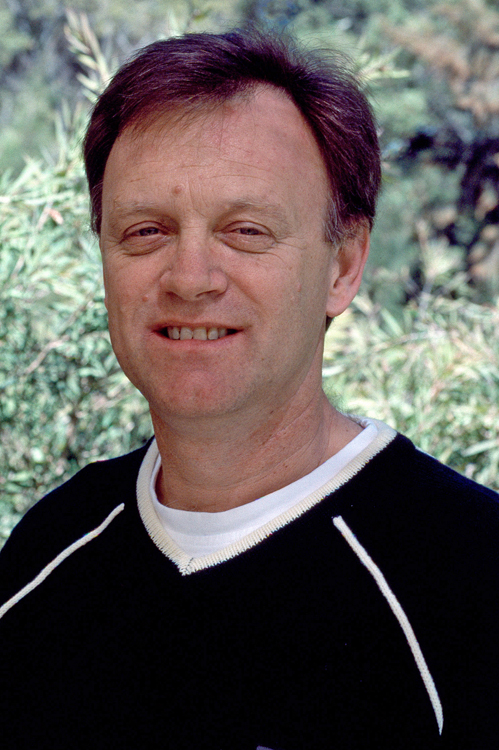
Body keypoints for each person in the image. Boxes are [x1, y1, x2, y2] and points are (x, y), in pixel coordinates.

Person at [1, 29, 498, 750]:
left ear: (343, 266)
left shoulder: (470, 578)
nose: (190, 277)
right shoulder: (48, 554)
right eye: (146, 230)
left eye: (246, 230)